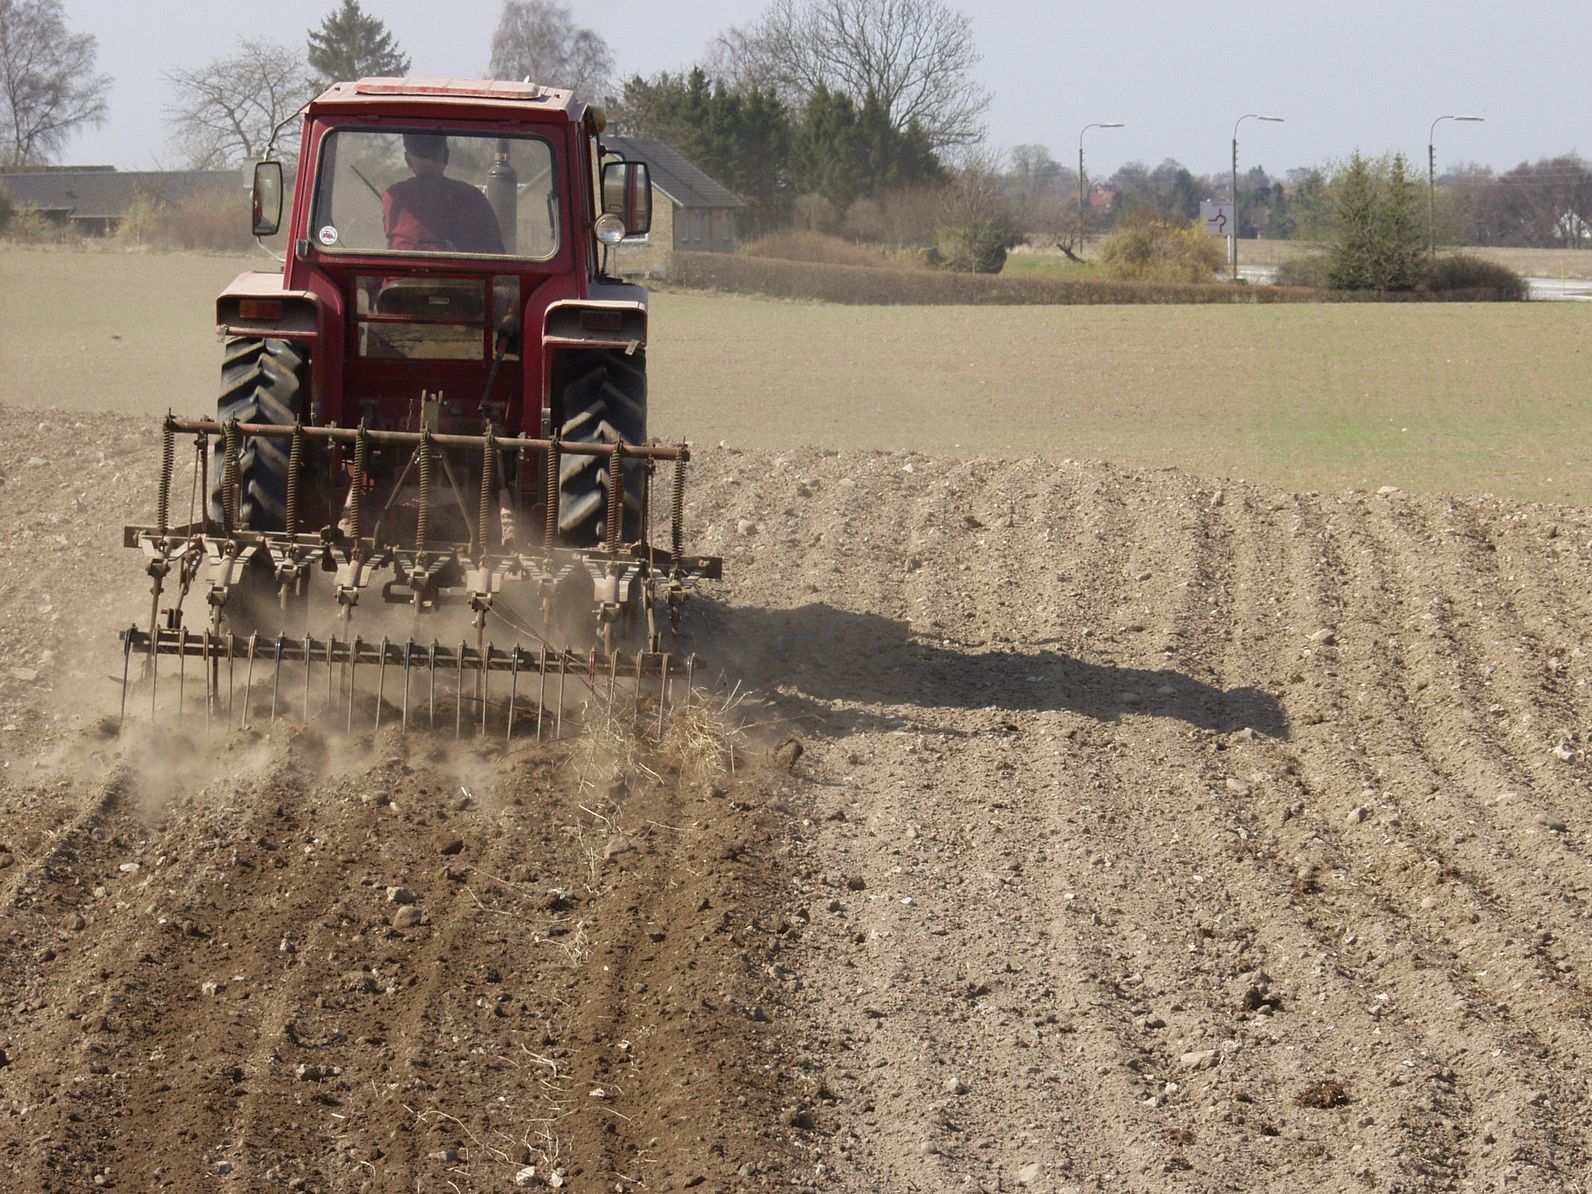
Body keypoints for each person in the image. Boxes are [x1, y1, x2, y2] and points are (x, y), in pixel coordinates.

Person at [382, 133, 505, 254]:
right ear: (446, 157)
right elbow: (497, 254)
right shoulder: (473, 197)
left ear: (407, 160)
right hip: (460, 274)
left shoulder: (393, 197)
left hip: (407, 274)